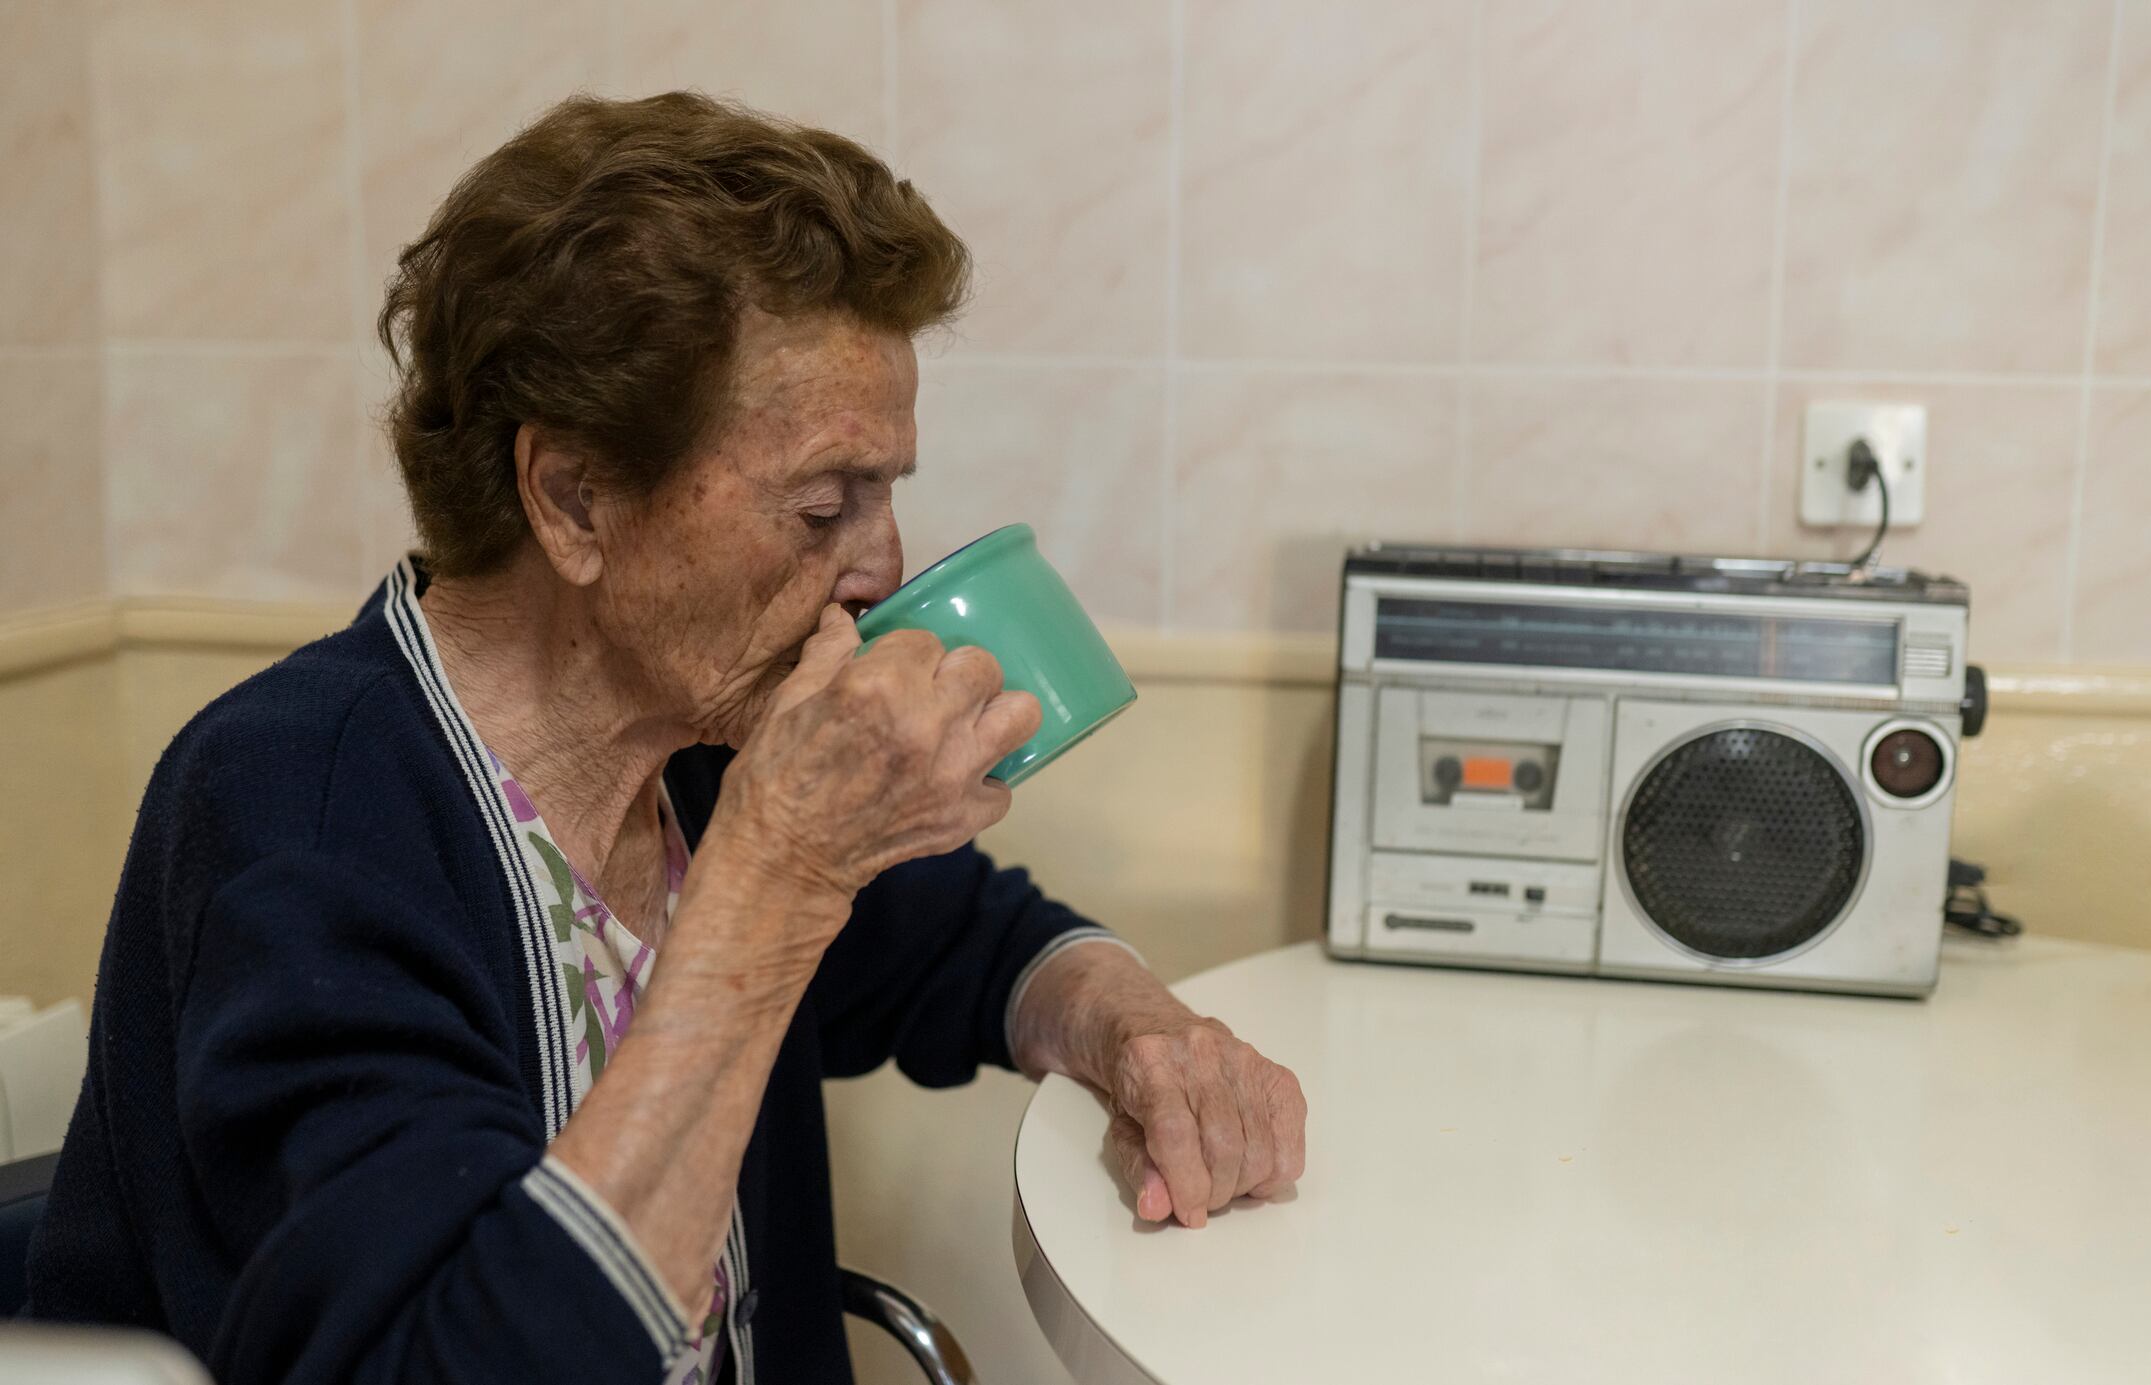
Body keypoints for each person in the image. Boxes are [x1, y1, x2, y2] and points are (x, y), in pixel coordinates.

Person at [26, 92, 1305, 1384]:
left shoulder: (696, 744)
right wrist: (779, 877)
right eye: (824, 507)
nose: (883, 563)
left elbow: (969, 942)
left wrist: (1137, 1028)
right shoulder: (298, 810)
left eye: (886, 494)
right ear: (574, 498)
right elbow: (444, 1361)